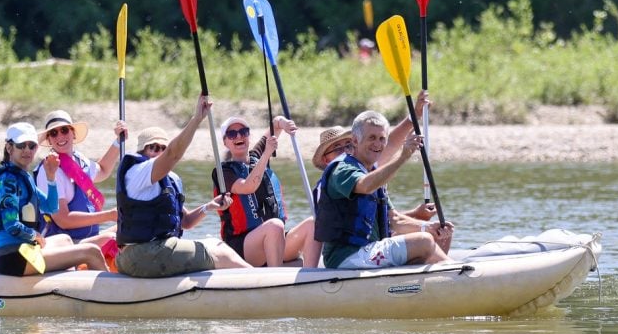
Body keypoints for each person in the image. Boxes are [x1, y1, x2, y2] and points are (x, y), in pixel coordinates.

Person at [114, 96, 254, 278]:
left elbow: (185, 222)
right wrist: (197, 119)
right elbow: (174, 153)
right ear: (142, 151)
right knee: (222, 254)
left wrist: (209, 206)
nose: (158, 153)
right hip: (141, 254)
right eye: (153, 148)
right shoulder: (138, 172)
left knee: (215, 244)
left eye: (162, 148)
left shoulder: (172, 179)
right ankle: (265, 285)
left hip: (155, 253)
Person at [314, 110, 454, 270]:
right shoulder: (342, 168)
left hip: (370, 248)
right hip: (346, 256)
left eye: (382, 139)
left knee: (436, 235)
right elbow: (365, 186)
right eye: (371, 138)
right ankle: (456, 274)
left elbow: (395, 220)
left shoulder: (372, 173)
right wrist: (403, 157)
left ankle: (444, 276)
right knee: (424, 241)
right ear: (355, 140)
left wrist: (428, 227)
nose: (378, 144)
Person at [0, 122, 107, 276]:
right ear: (9, 148)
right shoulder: (8, 182)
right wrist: (34, 235)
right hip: (10, 257)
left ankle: (68, 289)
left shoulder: (23, 178)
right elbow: (11, 225)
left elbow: (51, 207)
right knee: (91, 252)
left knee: (64, 239)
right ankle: (115, 295)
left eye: (32, 146)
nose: (27, 151)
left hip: (25, 249)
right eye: (22, 145)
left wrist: (51, 178)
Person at [212, 115, 316, 267]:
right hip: (242, 247)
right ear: (225, 142)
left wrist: (284, 124)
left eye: (243, 131)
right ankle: (275, 279)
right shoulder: (223, 172)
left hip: (273, 238)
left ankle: (312, 277)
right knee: (275, 225)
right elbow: (248, 187)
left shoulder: (257, 155)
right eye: (232, 134)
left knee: (313, 223)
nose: (239, 136)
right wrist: (267, 153)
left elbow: (276, 123)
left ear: (248, 135)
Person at [35, 109, 125, 241]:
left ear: (73, 133)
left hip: (86, 238)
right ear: (49, 140)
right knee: (112, 238)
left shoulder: (79, 160)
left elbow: (103, 170)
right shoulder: (48, 169)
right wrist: (109, 215)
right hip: (64, 243)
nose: (60, 136)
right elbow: (63, 220)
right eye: (54, 133)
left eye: (64, 130)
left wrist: (118, 140)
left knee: (129, 226)